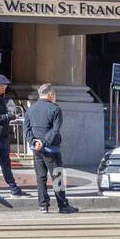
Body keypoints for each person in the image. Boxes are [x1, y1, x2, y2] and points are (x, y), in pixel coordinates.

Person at [23, 83, 78, 214]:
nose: (55, 97)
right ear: (50, 95)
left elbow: (26, 129)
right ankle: (63, 206)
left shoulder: (30, 109)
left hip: (36, 150)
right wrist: (45, 142)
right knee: (57, 177)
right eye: (55, 94)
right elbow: (55, 130)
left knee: (40, 177)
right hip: (52, 150)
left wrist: (35, 142)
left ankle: (43, 205)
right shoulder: (55, 109)